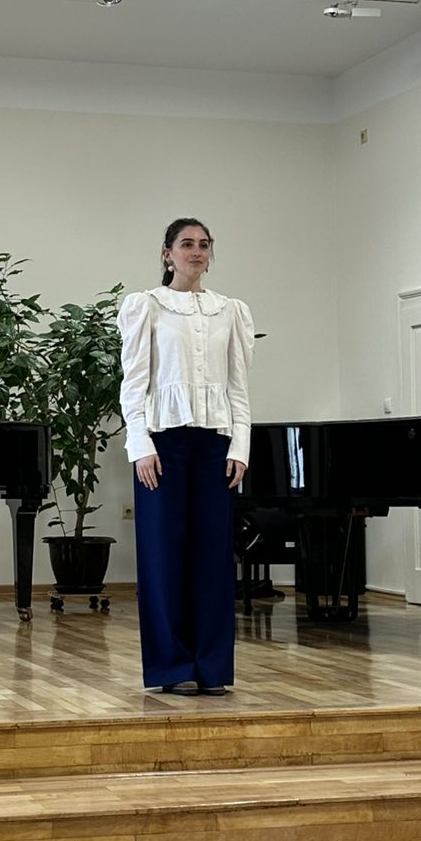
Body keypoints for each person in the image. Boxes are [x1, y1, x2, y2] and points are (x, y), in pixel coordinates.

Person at [117, 218, 254, 695]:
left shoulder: (230, 311)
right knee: (162, 557)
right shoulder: (147, 306)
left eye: (204, 245)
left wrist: (240, 447)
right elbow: (134, 384)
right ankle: (171, 666)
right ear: (167, 253)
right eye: (186, 244)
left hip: (215, 445)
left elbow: (238, 387)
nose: (196, 252)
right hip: (162, 444)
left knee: (213, 559)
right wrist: (140, 446)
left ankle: (212, 669)